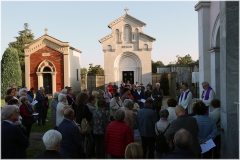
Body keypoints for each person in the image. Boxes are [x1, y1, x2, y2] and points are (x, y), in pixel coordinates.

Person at [76, 92, 93, 158]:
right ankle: (88, 155)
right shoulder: (85, 107)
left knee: (82, 140)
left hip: (79, 124)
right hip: (85, 125)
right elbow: (89, 116)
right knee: (90, 141)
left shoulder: (77, 106)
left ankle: (82, 154)